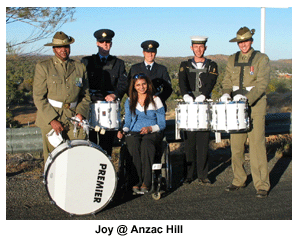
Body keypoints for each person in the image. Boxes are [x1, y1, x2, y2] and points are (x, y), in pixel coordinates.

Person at [220, 26, 270, 198]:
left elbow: (262, 84)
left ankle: (262, 184)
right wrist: (226, 93)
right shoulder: (232, 59)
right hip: (235, 107)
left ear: (251, 41)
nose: (243, 45)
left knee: (257, 146)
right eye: (240, 42)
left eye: (246, 41)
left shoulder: (261, 59)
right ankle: (238, 179)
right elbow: (227, 80)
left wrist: (247, 99)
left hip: (255, 106)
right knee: (236, 146)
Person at [33, 31, 91, 165]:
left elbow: (85, 95)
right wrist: (52, 120)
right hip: (51, 116)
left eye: (66, 46)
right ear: (54, 49)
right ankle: (53, 185)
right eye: (60, 47)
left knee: (79, 153)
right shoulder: (44, 67)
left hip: (74, 116)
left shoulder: (79, 67)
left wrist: (81, 113)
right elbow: (38, 97)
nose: (63, 50)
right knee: (54, 159)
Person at [81, 29, 128, 156]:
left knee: (106, 146)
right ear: (97, 43)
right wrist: (88, 96)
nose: (105, 44)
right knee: (89, 144)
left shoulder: (118, 63)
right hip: (90, 107)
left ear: (111, 44)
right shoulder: (87, 62)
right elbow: (81, 83)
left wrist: (115, 94)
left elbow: (124, 84)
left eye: (108, 42)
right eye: (102, 42)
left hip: (109, 110)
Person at [178, 36, 218, 185]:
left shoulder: (212, 65)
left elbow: (211, 82)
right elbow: (182, 81)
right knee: (189, 143)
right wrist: (185, 95)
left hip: (204, 105)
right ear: (192, 48)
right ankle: (188, 175)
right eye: (196, 47)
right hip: (189, 107)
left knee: (203, 143)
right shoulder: (185, 65)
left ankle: (203, 174)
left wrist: (203, 95)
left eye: (201, 47)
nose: (199, 49)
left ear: (205, 48)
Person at [117, 73, 166, 193]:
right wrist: (123, 130)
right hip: (135, 131)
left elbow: (162, 124)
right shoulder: (129, 101)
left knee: (146, 144)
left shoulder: (156, 100)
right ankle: (136, 180)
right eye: (138, 85)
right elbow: (128, 122)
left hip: (152, 131)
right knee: (132, 143)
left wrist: (150, 128)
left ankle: (147, 181)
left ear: (148, 84)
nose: (141, 87)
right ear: (134, 86)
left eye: (144, 84)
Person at [127, 40, 172, 111]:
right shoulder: (135, 68)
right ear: (143, 53)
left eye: (152, 52)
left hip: (157, 106)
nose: (150, 54)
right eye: (148, 52)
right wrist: (136, 99)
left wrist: (158, 99)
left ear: (156, 53)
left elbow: (168, 89)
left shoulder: (162, 69)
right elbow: (129, 87)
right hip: (138, 106)